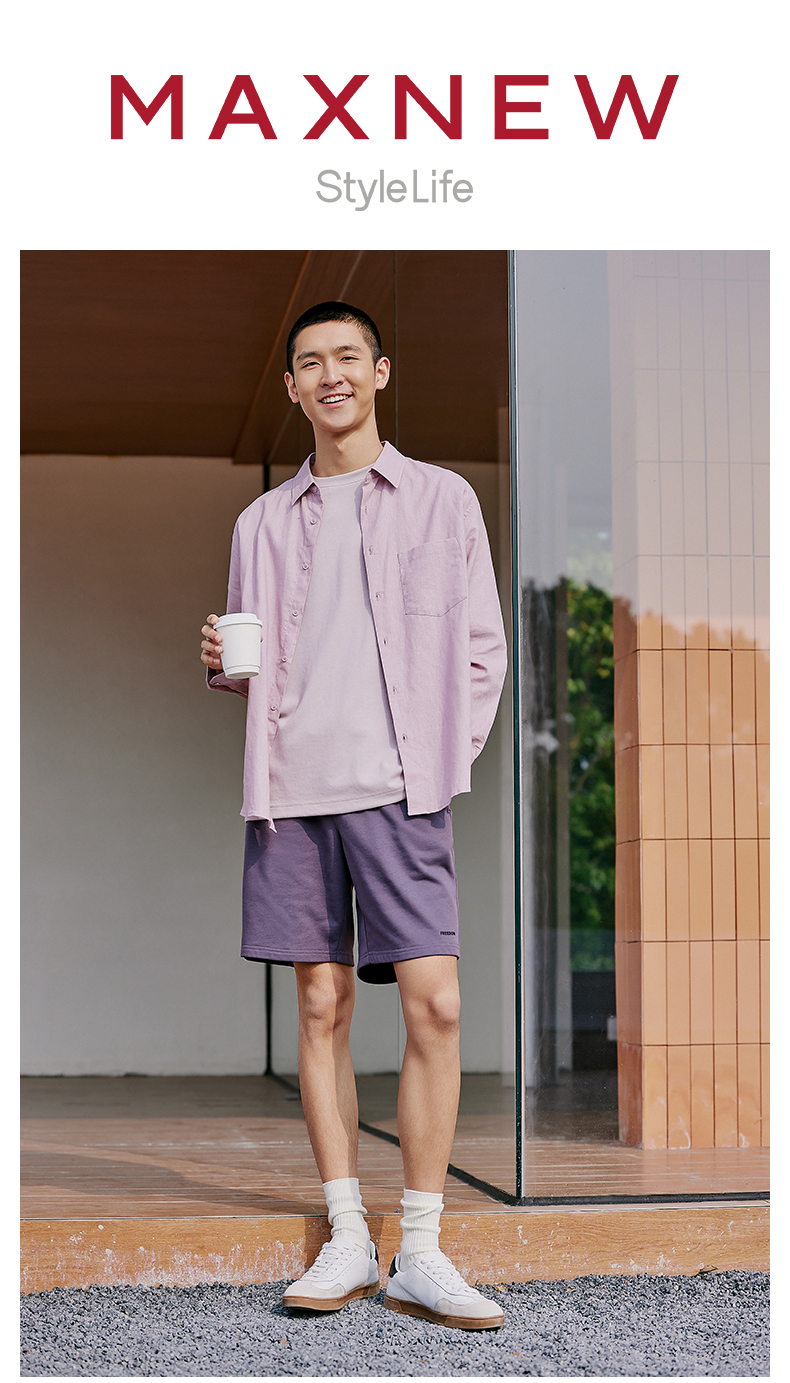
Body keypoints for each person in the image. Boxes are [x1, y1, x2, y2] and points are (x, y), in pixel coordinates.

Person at [200, 301, 507, 1330]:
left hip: (399, 789)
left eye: (346, 356)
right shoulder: (259, 524)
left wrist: (438, 763)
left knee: (436, 1004)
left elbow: (482, 650)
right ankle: (346, 1232)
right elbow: (260, 663)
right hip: (291, 792)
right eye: (309, 362)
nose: (329, 374)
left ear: (379, 372)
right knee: (321, 1006)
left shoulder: (442, 500)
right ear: (291, 387)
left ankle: (420, 1247)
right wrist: (223, 666)